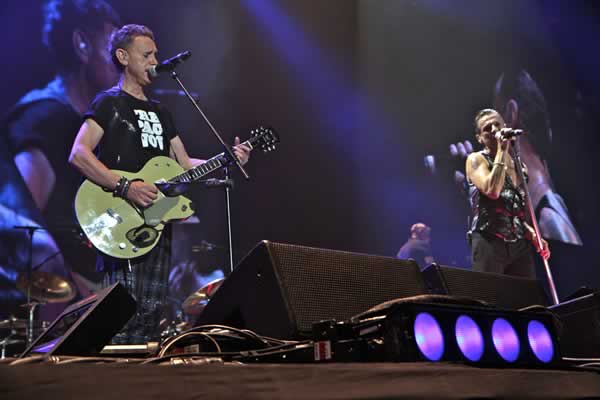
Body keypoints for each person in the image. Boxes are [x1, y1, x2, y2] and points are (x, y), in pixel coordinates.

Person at [69, 24, 252, 344]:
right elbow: (79, 154)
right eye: (147, 54)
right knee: (120, 312)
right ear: (123, 57)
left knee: (150, 313)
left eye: (155, 54)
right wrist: (126, 187)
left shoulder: (160, 112)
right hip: (119, 217)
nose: (155, 61)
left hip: (155, 222)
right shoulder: (108, 103)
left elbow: (185, 164)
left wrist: (228, 160)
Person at [0, 0, 121, 318]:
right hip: (51, 317)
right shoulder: (45, 119)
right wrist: (75, 288)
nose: (122, 61)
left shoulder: (90, 125)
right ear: (82, 44)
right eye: (112, 46)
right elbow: (21, 226)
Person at [466, 108, 550, 278]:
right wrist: (502, 151)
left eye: (497, 124)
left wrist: (532, 233)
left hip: (518, 245)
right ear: (479, 138)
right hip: (488, 240)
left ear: (505, 126)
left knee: (526, 292)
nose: (494, 130)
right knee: (491, 292)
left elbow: (515, 212)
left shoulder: (520, 168)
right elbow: (492, 191)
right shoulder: (476, 159)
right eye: (487, 128)